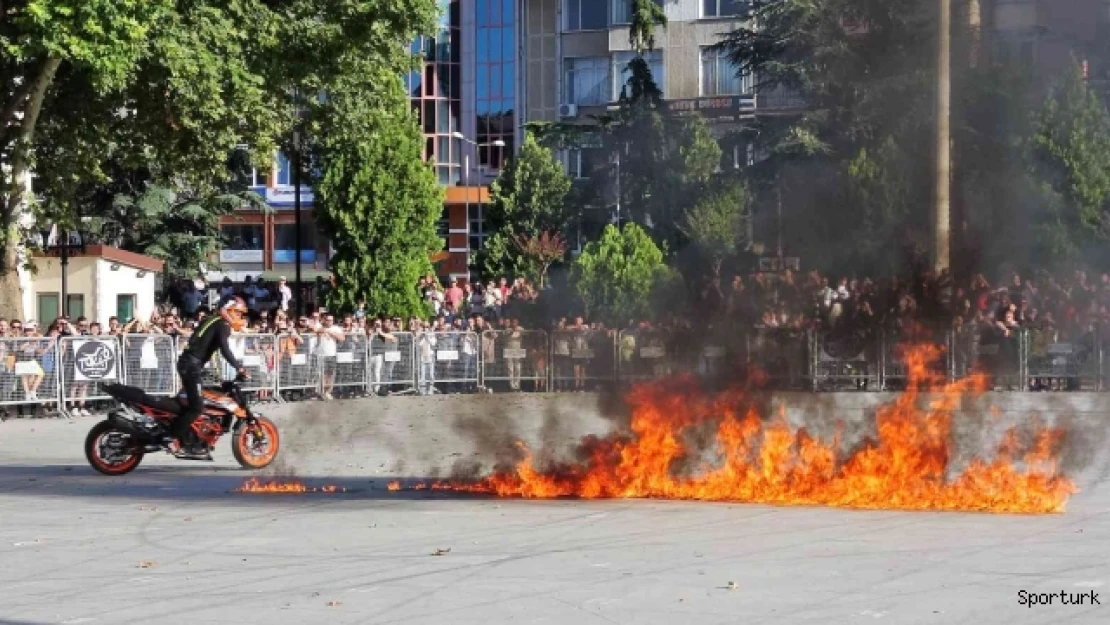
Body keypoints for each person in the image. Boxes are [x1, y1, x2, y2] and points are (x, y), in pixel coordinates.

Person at [168, 296, 248, 456]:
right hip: (191, 365)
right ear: (228, 311)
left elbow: (208, 345)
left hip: (190, 363)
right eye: (238, 313)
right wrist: (239, 367)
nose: (240, 317)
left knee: (196, 399)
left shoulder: (210, 320)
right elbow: (225, 350)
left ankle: (191, 435)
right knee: (197, 406)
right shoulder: (222, 325)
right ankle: (172, 438)